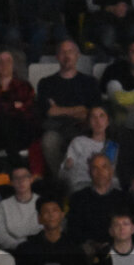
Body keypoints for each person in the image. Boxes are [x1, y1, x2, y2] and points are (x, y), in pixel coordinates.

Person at [36, 39, 101, 176]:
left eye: (70, 51)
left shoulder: (90, 82)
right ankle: (61, 177)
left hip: (83, 128)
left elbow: (90, 113)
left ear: (78, 55)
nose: (67, 56)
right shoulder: (46, 83)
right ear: (57, 57)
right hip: (57, 129)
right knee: (48, 140)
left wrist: (60, 109)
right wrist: (79, 109)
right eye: (62, 52)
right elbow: (50, 112)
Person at [0, 47, 39, 172]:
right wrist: (14, 107)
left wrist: (1, 108)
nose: (4, 65)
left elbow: (27, 112)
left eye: (8, 61)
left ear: (14, 65)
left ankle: (6, 171)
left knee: (6, 121)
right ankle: (16, 168)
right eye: (0, 61)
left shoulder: (24, 87)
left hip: (20, 132)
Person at [65, 153, 131, 254]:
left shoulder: (124, 198)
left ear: (111, 171)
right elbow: (73, 229)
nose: (100, 172)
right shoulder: (78, 198)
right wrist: (91, 244)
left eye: (104, 167)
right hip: (87, 249)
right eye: (95, 168)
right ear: (89, 172)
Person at [59, 104, 119, 194]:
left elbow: (114, 177)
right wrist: (67, 165)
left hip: (106, 189)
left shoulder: (114, 147)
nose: (98, 121)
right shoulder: (79, 142)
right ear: (89, 123)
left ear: (108, 121)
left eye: (101, 116)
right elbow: (62, 175)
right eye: (93, 117)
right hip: (81, 187)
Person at [0, 167, 41, 251]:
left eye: (24, 177)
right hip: (13, 250)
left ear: (31, 179)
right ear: (11, 183)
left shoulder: (43, 202)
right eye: (16, 178)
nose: (21, 181)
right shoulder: (3, 206)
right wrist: (19, 246)